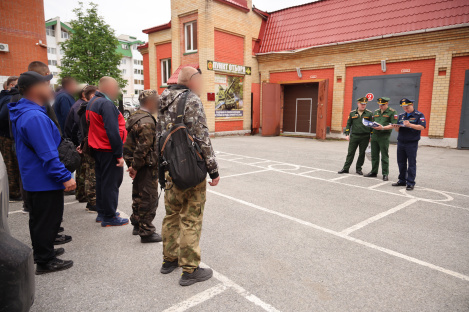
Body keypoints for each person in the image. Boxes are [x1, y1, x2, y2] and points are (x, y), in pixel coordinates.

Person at [157, 66, 220, 286]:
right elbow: (202, 137)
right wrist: (213, 169)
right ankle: (190, 269)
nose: (202, 85)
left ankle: (169, 259)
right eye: (200, 80)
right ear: (192, 80)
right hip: (190, 169)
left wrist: (160, 169)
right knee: (191, 218)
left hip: (169, 169)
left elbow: (159, 137)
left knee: (171, 215)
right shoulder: (191, 100)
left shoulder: (163, 99)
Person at [8, 71, 75, 274]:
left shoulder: (26, 111)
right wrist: (65, 177)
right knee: (47, 221)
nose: (50, 89)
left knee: (40, 220)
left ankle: (45, 253)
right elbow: (47, 153)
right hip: (44, 180)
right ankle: (45, 261)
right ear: (36, 89)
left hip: (35, 178)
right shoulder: (34, 117)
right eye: (47, 84)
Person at [86, 77, 128, 226]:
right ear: (108, 88)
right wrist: (118, 155)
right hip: (108, 149)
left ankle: (102, 212)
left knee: (102, 182)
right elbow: (112, 131)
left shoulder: (92, 102)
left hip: (97, 148)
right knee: (111, 184)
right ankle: (110, 216)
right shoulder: (106, 104)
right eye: (116, 87)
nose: (117, 91)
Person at [123, 90, 161, 243]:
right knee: (148, 198)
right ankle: (146, 231)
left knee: (138, 194)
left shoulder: (135, 116)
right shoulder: (147, 122)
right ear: (150, 102)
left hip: (137, 164)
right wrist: (135, 167)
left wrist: (133, 166)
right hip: (145, 165)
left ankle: (137, 223)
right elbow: (143, 148)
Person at [391, 98, 426, 191]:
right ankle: (402, 180)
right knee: (401, 162)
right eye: (404, 107)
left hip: (411, 143)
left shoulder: (419, 115)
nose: (406, 109)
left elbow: (422, 127)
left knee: (411, 163)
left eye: (407, 107)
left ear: (412, 105)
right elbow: (398, 130)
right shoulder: (401, 115)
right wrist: (396, 127)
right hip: (401, 142)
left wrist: (410, 125)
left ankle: (410, 182)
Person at [74, 85, 98, 211]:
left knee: (89, 172)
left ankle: (90, 199)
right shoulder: (88, 110)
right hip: (90, 144)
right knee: (92, 174)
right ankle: (93, 201)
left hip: (86, 142)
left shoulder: (83, 109)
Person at [364, 97, 398, 181]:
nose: (380, 107)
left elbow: (394, 125)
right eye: (379, 105)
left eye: (382, 105)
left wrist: (382, 127)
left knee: (384, 156)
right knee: (374, 155)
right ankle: (374, 172)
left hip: (384, 136)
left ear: (387, 104)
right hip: (375, 135)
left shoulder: (392, 112)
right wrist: (371, 131)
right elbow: (373, 123)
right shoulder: (376, 111)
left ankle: (385, 173)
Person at [0, 76, 22, 201]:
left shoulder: (3, 97)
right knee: (12, 165)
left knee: (10, 165)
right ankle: (14, 192)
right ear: (11, 85)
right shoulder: (9, 99)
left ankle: (14, 191)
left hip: (5, 135)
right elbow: (4, 115)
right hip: (7, 136)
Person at [338, 97, 373, 175]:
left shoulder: (369, 113)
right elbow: (348, 124)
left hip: (365, 136)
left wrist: (371, 136)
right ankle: (346, 168)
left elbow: (372, 125)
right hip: (354, 136)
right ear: (358, 104)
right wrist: (347, 134)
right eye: (362, 104)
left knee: (362, 153)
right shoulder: (352, 113)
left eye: (365, 104)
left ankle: (358, 168)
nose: (363, 106)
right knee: (350, 152)